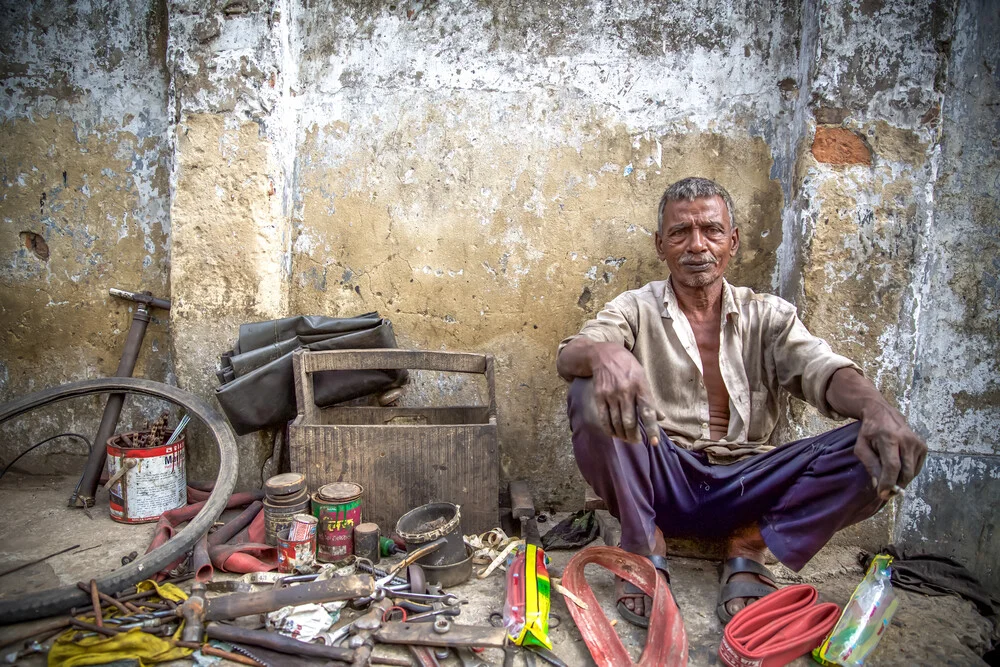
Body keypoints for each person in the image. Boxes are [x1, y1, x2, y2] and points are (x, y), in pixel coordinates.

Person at [556, 177, 927, 627]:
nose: (697, 245)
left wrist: (877, 409)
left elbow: (822, 370)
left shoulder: (768, 315)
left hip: (749, 482)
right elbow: (572, 352)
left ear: (732, 241)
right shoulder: (636, 308)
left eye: (711, 230)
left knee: (877, 445)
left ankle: (750, 544)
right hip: (660, 474)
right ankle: (641, 542)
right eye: (680, 233)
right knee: (585, 387)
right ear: (660, 245)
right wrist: (604, 353)